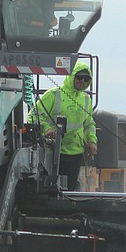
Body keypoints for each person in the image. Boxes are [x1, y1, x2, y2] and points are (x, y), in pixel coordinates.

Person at [32, 61, 97, 190]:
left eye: (86, 79)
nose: (82, 81)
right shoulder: (53, 95)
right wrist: (47, 129)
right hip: (51, 152)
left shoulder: (86, 100)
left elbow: (89, 124)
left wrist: (92, 141)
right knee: (50, 189)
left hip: (75, 153)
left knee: (69, 190)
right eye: (79, 77)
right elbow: (34, 116)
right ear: (71, 76)